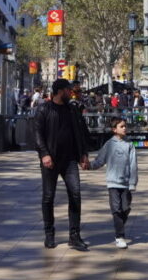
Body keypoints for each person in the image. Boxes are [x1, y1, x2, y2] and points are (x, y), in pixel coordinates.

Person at [33, 77, 91, 250]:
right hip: (51, 160)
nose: (70, 93)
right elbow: (37, 134)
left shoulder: (72, 109)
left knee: (75, 194)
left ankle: (74, 235)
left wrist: (83, 154)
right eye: (68, 90)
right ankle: (49, 233)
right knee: (48, 196)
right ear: (60, 91)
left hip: (70, 160)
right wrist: (44, 154)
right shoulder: (44, 109)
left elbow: (80, 133)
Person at [89, 116, 139, 248]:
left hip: (126, 183)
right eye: (121, 126)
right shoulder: (109, 144)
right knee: (116, 209)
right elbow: (100, 160)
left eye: (125, 126)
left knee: (126, 208)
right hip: (113, 183)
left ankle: (119, 226)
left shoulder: (129, 145)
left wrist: (132, 182)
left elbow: (133, 165)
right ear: (114, 129)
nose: (124, 128)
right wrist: (89, 165)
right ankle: (120, 236)